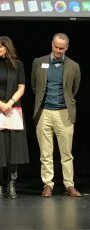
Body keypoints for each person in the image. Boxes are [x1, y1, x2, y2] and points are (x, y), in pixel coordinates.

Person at [31, 33, 81, 198]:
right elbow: (34, 86)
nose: (58, 50)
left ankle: (69, 184)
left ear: (67, 48)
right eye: (56, 47)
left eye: (62, 48)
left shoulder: (73, 66)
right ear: (51, 44)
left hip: (64, 112)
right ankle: (48, 184)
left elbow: (74, 89)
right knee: (46, 152)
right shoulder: (39, 62)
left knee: (66, 153)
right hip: (44, 112)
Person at [0, 36, 28, 199]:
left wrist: (10, 102)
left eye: (0, 46)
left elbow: (22, 87)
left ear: (8, 48)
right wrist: (0, 104)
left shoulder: (18, 65)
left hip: (13, 108)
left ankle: (12, 184)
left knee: (13, 147)